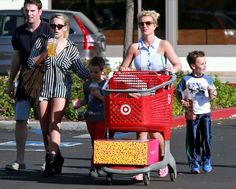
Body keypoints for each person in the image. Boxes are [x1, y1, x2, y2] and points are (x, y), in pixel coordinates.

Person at [119, 10, 182, 180]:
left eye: (148, 23)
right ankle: (140, 167)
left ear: (155, 25)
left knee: (155, 131)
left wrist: (171, 70)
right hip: (140, 95)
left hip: (159, 94)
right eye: (141, 24)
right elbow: (123, 70)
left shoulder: (163, 45)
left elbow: (178, 65)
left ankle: (162, 159)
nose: (144, 26)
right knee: (140, 132)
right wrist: (125, 70)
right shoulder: (134, 47)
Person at [27, 13, 89, 177]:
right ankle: (58, 156)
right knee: (44, 127)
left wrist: (96, 76)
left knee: (54, 124)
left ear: (66, 28)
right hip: (43, 87)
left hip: (61, 88)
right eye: (53, 26)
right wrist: (47, 52)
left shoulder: (70, 47)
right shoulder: (42, 42)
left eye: (59, 26)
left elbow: (80, 70)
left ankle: (51, 160)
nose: (55, 29)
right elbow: (30, 62)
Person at [5, 0, 51, 171]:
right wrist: (10, 81)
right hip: (24, 79)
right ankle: (19, 160)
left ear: (40, 11)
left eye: (32, 10)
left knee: (44, 120)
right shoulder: (19, 32)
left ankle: (49, 158)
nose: (29, 14)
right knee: (20, 119)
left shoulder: (48, 29)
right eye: (27, 11)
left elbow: (52, 51)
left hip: (44, 78)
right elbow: (16, 57)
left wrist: (36, 61)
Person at [175, 50, 217, 174]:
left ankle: (207, 159)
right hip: (191, 114)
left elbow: (213, 94)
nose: (204, 65)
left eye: (205, 63)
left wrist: (212, 93)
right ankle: (194, 162)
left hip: (205, 113)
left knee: (206, 138)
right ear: (193, 66)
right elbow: (178, 92)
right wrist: (182, 101)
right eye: (202, 63)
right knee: (193, 139)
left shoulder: (208, 79)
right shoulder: (186, 79)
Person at [72, 56, 107, 177]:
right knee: (94, 142)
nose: (93, 74)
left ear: (103, 71)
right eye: (91, 72)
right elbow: (87, 100)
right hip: (90, 117)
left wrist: (99, 96)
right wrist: (79, 103)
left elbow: (110, 101)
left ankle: (93, 166)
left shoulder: (106, 84)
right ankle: (101, 165)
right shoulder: (87, 84)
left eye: (96, 72)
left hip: (102, 117)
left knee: (99, 141)